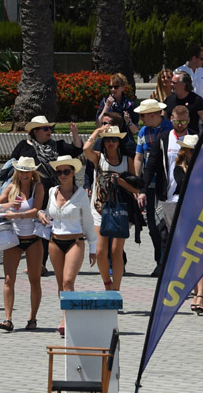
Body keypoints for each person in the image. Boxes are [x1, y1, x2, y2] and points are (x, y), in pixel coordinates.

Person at [39, 156, 97, 335]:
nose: (62, 175)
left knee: (68, 281)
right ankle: (66, 314)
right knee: (60, 284)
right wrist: (41, 213)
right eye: (59, 172)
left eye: (66, 172)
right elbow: (46, 211)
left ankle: (67, 319)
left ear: (73, 173)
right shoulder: (51, 192)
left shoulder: (80, 195)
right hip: (55, 241)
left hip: (75, 242)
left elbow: (88, 222)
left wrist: (93, 249)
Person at [84, 125, 141, 291]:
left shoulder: (126, 160)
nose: (110, 143)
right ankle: (107, 284)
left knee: (117, 251)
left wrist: (120, 181)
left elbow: (136, 188)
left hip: (119, 210)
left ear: (119, 141)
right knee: (100, 251)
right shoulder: (98, 157)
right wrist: (97, 131)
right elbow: (86, 148)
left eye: (114, 139)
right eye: (107, 139)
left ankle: (116, 289)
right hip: (99, 209)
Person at [0, 157, 44, 332]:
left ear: (32, 172)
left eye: (27, 171)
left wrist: (17, 215)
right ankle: (8, 318)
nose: (24, 174)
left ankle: (32, 318)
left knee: (34, 279)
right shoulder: (12, 187)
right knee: (8, 278)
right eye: (21, 170)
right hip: (13, 239)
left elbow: (36, 210)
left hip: (33, 238)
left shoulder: (38, 187)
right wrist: (8, 205)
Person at [163, 135, 203, 312]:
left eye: (194, 149)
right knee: (184, 255)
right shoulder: (179, 167)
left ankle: (200, 296)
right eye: (189, 150)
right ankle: (191, 289)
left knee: (201, 255)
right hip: (184, 215)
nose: (191, 153)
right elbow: (186, 184)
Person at [133, 98, 172, 275]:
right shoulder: (143, 131)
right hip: (148, 184)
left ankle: (165, 262)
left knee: (164, 224)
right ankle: (159, 261)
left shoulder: (170, 130)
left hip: (165, 185)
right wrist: (138, 183)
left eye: (142, 116)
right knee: (152, 225)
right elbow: (138, 157)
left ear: (152, 115)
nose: (140, 119)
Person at [96, 73, 138, 155]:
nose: (112, 89)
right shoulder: (105, 102)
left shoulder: (129, 104)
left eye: (116, 87)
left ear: (122, 88)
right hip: (108, 139)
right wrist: (106, 107)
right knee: (96, 147)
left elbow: (135, 130)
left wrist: (128, 121)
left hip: (125, 138)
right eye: (110, 87)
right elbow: (98, 124)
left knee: (131, 148)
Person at [166, 70, 203, 134]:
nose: (171, 85)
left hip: (191, 139)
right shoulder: (169, 100)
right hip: (173, 138)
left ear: (183, 84)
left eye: (174, 83)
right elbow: (162, 119)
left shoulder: (197, 100)